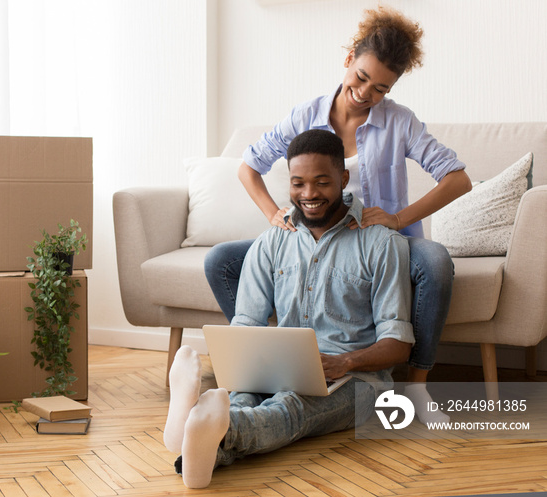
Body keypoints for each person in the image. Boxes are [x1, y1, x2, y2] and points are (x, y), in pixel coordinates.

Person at [204, 5, 471, 424]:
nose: (366, 93)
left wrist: (399, 219)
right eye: (362, 77)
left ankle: (416, 386)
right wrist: (274, 213)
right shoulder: (305, 115)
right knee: (221, 260)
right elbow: (248, 166)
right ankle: (276, 360)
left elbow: (457, 178)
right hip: (313, 232)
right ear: (348, 60)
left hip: (375, 238)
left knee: (435, 261)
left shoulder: (400, 122)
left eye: (380, 88)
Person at [164, 129, 415, 489]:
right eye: (298, 183)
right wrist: (245, 366)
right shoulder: (273, 240)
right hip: (278, 369)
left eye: (322, 182)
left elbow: (399, 344)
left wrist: (344, 362)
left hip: (357, 382)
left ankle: (192, 429)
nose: (309, 194)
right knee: (244, 396)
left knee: (291, 406)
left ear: (343, 179)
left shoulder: (381, 243)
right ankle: (202, 453)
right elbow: (247, 323)